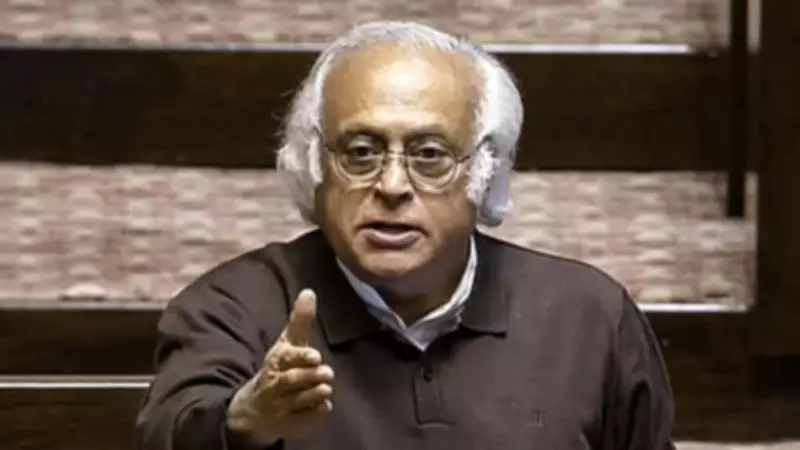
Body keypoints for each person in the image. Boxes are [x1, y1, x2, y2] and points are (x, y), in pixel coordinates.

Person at [136, 20, 676, 450]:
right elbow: (169, 431)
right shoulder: (233, 307)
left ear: (485, 172)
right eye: (360, 153)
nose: (392, 186)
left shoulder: (588, 316)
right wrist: (244, 422)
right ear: (313, 166)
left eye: (429, 155)